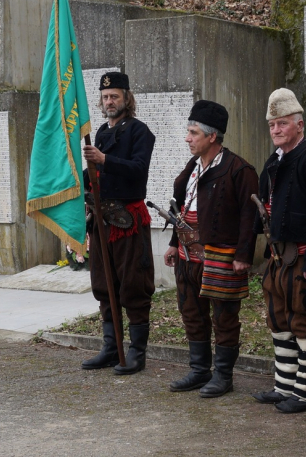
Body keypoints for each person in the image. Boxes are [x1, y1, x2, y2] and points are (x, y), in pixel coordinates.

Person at [164, 100, 259, 397]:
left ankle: (223, 375)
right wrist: (172, 243)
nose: (187, 138)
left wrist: (243, 255)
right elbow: (181, 207)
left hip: (221, 256)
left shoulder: (239, 170)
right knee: (191, 313)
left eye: (193, 132)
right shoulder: (193, 166)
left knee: (224, 316)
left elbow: (249, 215)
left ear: (212, 137)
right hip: (186, 254)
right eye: (188, 131)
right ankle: (198, 370)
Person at [251, 88, 306, 413]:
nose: (276, 130)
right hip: (279, 259)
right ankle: (285, 386)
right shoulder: (274, 161)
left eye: (282, 123)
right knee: (280, 320)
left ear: (299, 125)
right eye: (272, 125)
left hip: (305, 257)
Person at [80, 72, 156, 375]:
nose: (109, 101)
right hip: (102, 221)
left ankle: (137, 352)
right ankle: (112, 347)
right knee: (103, 283)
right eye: (105, 97)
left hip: (129, 221)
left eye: (114, 96)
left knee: (133, 285)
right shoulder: (99, 131)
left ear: (127, 98)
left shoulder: (140, 132)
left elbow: (138, 169)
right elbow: (97, 174)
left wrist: (103, 160)